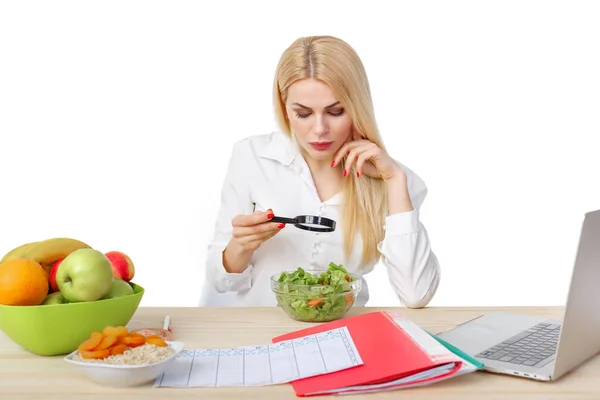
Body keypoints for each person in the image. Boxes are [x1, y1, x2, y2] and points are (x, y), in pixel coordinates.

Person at [201, 35, 440, 309]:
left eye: (336, 112)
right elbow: (220, 282)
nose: (319, 130)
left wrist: (395, 181)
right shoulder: (252, 157)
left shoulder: (396, 180)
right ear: (284, 107)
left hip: (342, 334)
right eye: (303, 113)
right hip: (257, 330)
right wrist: (240, 247)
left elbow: (416, 295)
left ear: (357, 107)